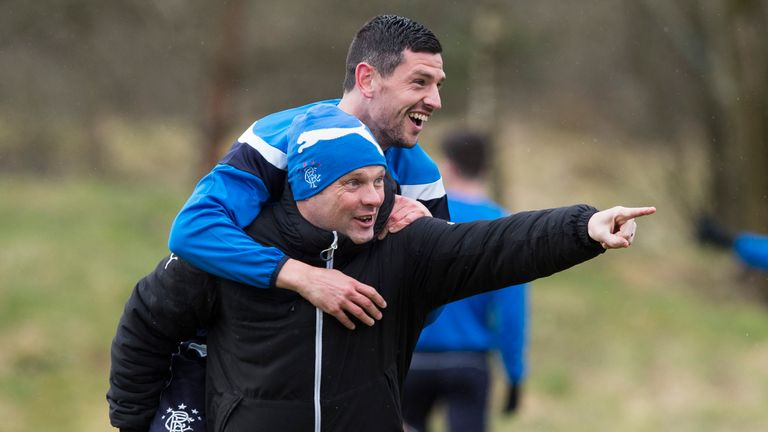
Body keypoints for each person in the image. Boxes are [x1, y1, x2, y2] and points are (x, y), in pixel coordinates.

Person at [108, 104, 656, 431]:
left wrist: (583, 228)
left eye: (378, 182)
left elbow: (496, 245)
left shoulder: (403, 247)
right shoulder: (233, 249)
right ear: (309, 185)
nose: (375, 199)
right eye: (353, 185)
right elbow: (145, 323)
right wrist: (133, 423)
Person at [168, 15, 449, 328]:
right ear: (367, 79)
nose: (435, 101)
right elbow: (193, 230)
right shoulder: (276, 140)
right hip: (238, 360)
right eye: (419, 82)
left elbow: (432, 304)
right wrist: (304, 278)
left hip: (352, 366)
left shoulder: (421, 175)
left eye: (438, 85)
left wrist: (423, 244)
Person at [402, 131, 528, 432]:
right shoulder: (502, 225)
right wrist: (514, 375)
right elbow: (512, 312)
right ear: (486, 168)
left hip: (411, 360)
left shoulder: (421, 218)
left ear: (448, 166)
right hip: (469, 363)